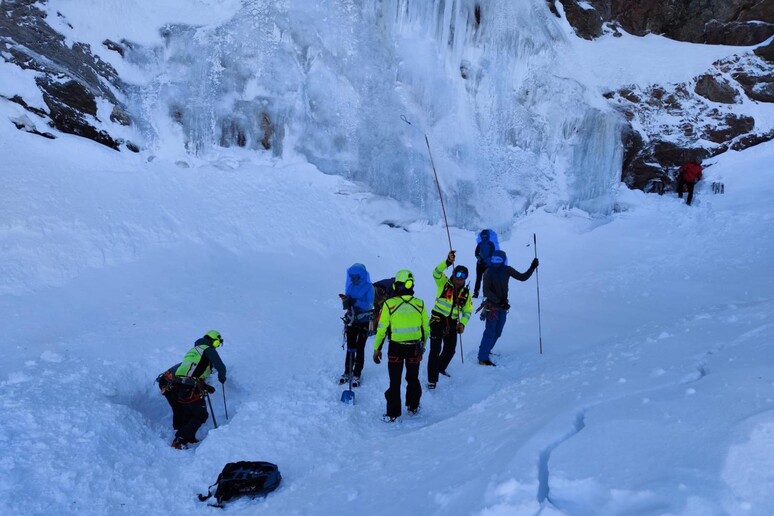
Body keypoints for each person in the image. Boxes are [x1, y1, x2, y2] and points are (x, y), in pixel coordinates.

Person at [372, 269, 430, 422]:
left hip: (395, 347)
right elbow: (426, 328)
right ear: (410, 285)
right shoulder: (420, 304)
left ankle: (393, 413)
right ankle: (413, 405)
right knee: (413, 378)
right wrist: (422, 347)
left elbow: (382, 328)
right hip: (414, 347)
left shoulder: (389, 304)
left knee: (395, 380)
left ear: (396, 285)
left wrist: (377, 349)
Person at [477, 250, 538, 366]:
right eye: (494, 259)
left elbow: (522, 277)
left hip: (502, 307)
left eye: (498, 260)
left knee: (498, 332)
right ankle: (482, 357)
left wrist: (532, 267)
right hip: (492, 307)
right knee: (490, 332)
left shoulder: (507, 270)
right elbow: (486, 291)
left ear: (503, 260)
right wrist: (499, 301)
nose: (496, 262)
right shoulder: (488, 272)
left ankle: (487, 349)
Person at [170, 330, 227, 449]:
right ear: (212, 340)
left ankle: (188, 438)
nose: (217, 347)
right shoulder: (208, 349)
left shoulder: (194, 350)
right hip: (192, 386)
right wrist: (222, 377)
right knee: (201, 415)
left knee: (188, 412)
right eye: (217, 343)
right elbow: (220, 366)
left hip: (179, 385)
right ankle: (180, 439)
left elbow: (193, 370)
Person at [427, 250, 473, 389]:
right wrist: (447, 262)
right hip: (437, 319)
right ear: (453, 274)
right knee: (435, 349)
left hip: (452, 322)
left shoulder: (466, 293)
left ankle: (440, 368)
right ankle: (432, 379)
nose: (459, 279)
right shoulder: (443, 283)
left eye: (462, 277)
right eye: (457, 276)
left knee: (450, 349)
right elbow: (436, 272)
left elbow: (467, 311)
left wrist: (463, 324)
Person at [338, 263, 374, 387]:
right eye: (351, 276)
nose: (353, 279)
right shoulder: (351, 287)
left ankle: (357, 373)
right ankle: (347, 371)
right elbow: (348, 303)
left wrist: (356, 301)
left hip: (363, 321)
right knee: (350, 347)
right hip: (351, 320)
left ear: (362, 276)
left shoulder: (369, 288)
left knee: (360, 347)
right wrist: (346, 302)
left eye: (355, 277)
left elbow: (369, 304)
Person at [156, 362, 184, 431]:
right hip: (167, 383)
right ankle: (177, 428)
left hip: (171, 382)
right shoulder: (189, 366)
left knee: (179, 406)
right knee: (177, 406)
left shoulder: (188, 363)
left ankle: (180, 427)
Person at [473, 229, 499, 298]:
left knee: (486, 280)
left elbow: (492, 254)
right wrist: (480, 259)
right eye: (483, 236)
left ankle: (486, 293)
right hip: (479, 264)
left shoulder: (491, 244)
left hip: (487, 265)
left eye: (485, 236)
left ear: (488, 236)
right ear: (481, 236)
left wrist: (486, 260)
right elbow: (476, 253)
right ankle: (476, 293)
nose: (484, 237)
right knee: (478, 279)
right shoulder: (480, 244)